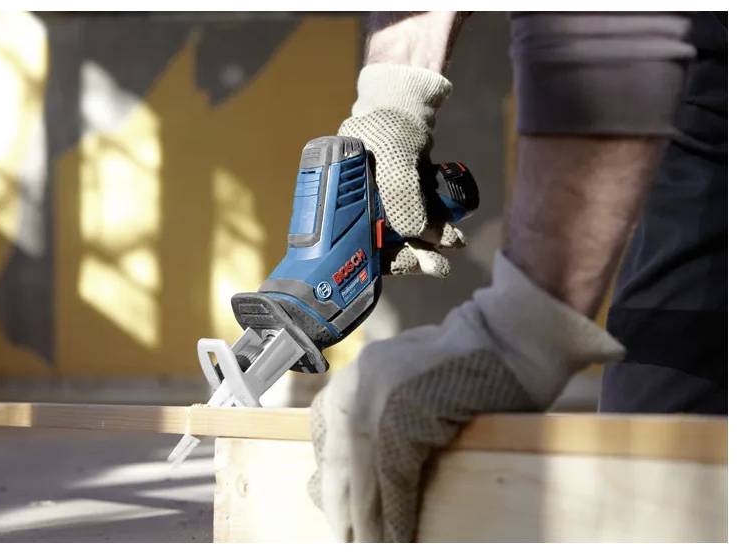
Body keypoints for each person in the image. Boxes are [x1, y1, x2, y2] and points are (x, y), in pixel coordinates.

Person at [307, 11, 728, 542]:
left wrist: (520, 331)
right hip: (705, 89)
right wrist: (391, 96)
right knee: (653, 447)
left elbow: (614, 25)